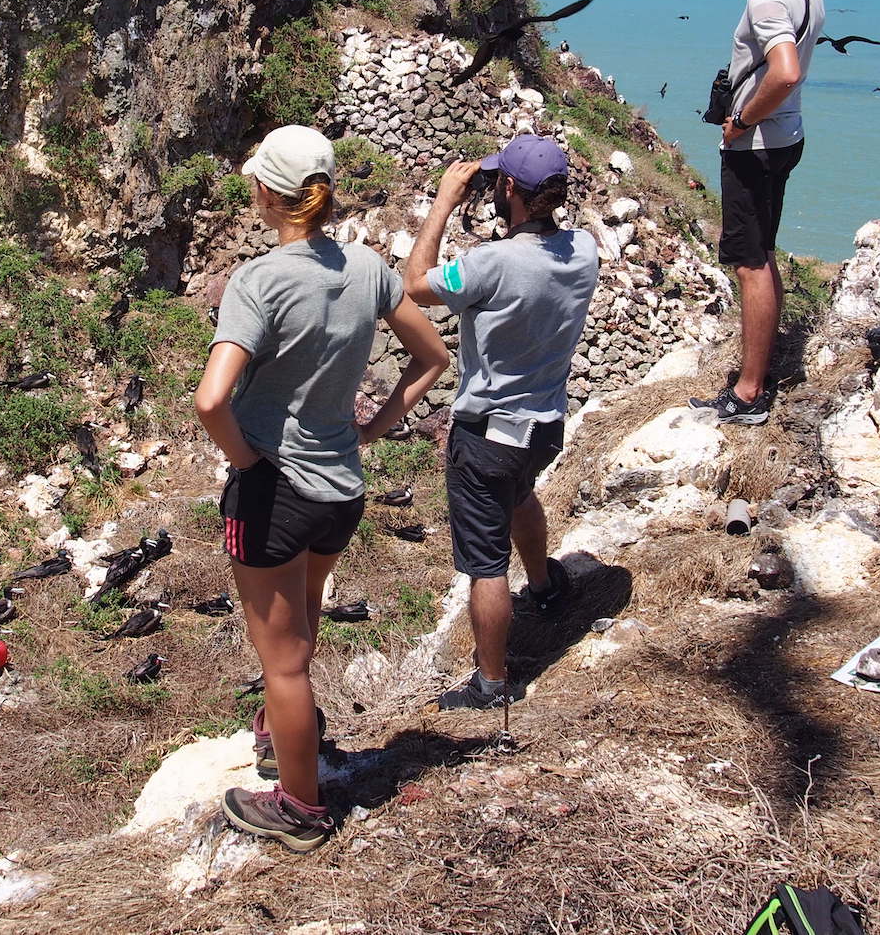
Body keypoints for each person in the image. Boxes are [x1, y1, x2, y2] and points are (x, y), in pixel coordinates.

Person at [195, 124, 449, 851]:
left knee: (284, 659)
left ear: (269, 195)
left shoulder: (258, 280)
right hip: (341, 489)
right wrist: (372, 430)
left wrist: (247, 464)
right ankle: (285, 735)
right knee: (301, 625)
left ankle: (300, 809)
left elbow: (212, 400)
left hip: (275, 493)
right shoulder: (366, 268)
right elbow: (430, 356)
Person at [403, 135, 599, 709]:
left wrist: (442, 201)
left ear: (509, 189)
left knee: (486, 565)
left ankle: (491, 684)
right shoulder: (584, 249)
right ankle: (543, 585)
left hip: (486, 434)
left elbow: (416, 285)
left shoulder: (490, 264)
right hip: (544, 426)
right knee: (521, 497)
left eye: (495, 182)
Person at [667, 0, 822, 425]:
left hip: (756, 146)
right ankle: (763, 365)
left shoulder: (768, 3)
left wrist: (742, 121)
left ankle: (749, 392)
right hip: (787, 138)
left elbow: (784, 72)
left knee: (749, 264)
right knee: (764, 252)